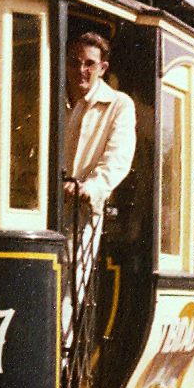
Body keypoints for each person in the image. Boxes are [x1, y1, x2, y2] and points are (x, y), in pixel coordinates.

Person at [61, 32, 135, 347]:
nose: (81, 70)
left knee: (68, 290)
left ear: (103, 68)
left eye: (89, 64)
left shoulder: (118, 105)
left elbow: (117, 159)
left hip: (81, 213)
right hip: (43, 211)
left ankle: (60, 363)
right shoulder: (53, 96)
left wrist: (89, 188)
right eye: (76, 62)